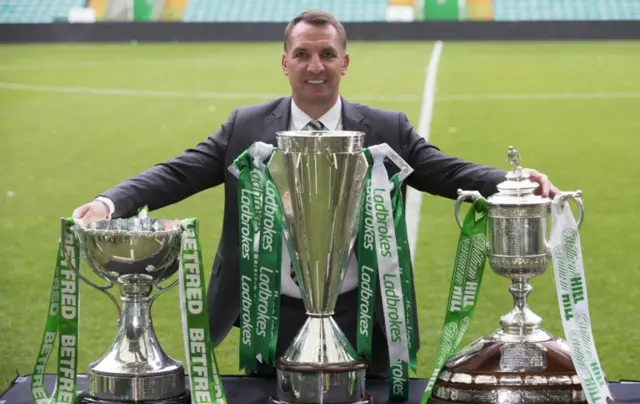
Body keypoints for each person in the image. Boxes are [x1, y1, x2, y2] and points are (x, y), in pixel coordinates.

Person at [72, 10, 558, 378]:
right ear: (285, 63)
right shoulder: (246, 127)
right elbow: (181, 171)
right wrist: (111, 202)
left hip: (363, 311)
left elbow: (441, 170)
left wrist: (513, 182)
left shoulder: (385, 128)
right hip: (270, 313)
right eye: (303, 54)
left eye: (327, 54)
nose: (315, 66)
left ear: (345, 62)